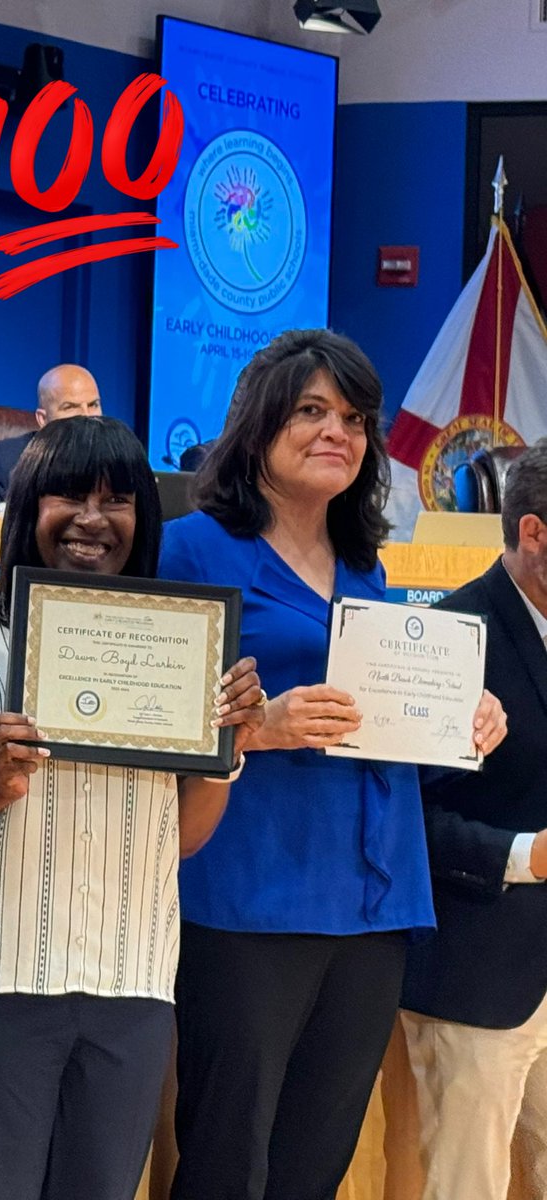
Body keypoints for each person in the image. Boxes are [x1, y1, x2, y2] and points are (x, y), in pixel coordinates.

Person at [157, 328, 508, 1200]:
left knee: (318, 1163)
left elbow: (386, 740)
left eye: (353, 418)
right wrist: (257, 728)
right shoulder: (190, 549)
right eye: (312, 411)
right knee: (227, 1161)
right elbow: (150, 721)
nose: (336, 433)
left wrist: (460, 727)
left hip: (375, 904)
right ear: (261, 422)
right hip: (246, 900)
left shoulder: (368, 567)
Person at [0, 415, 266, 1200]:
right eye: (68, 495)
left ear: (145, 520)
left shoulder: (181, 652)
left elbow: (184, 839)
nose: (93, 519)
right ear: (26, 507)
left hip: (132, 989)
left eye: (118, 500)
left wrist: (226, 746)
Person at [398, 442, 547, 1200]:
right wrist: (526, 855)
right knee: (467, 1187)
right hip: (479, 974)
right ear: (533, 535)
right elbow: (407, 820)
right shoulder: (448, 635)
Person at [0, 363, 103, 515]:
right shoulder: (1, 461)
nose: (87, 417)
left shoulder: (119, 459)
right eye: (70, 407)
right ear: (43, 419)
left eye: (93, 405)